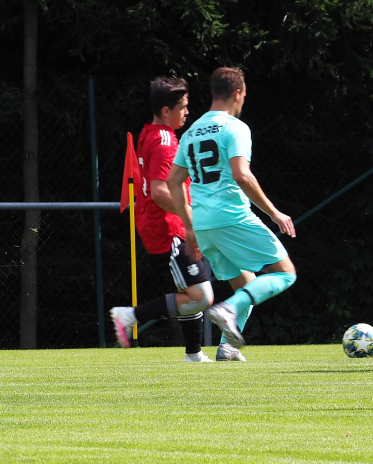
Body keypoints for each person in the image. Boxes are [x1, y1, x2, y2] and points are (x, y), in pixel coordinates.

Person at [166, 67, 297, 353]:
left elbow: (173, 181)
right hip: (231, 217)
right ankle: (229, 309)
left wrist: (189, 225)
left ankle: (227, 347)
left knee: (245, 283)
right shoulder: (235, 127)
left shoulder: (191, 132)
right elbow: (242, 175)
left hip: (203, 224)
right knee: (286, 273)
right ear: (237, 93)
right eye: (244, 95)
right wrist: (274, 213)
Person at [110, 76, 220, 362]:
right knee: (201, 296)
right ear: (165, 109)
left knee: (189, 290)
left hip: (166, 224)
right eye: (182, 107)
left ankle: (194, 354)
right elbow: (159, 192)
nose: (187, 112)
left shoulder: (152, 133)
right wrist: (190, 221)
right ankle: (130, 316)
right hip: (168, 228)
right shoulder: (163, 141)